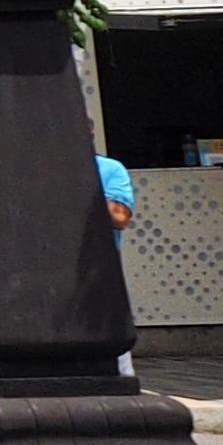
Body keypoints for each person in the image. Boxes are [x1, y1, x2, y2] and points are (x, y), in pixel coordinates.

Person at [97, 146, 139, 377]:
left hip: (99, 269)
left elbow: (120, 218)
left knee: (112, 334)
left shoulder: (109, 169)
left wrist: (85, 180)